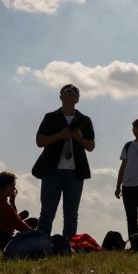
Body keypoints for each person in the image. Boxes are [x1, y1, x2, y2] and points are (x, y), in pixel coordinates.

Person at [33, 84, 96, 239]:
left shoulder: (84, 120)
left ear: (78, 98)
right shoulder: (51, 117)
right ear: (60, 96)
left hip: (76, 172)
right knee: (47, 211)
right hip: (52, 170)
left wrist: (80, 138)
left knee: (71, 213)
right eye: (68, 90)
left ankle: (68, 246)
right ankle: (42, 244)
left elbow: (91, 146)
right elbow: (39, 141)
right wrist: (60, 136)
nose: (72, 93)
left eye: (75, 91)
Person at [0, 172, 34, 250]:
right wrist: (35, 234)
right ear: (8, 186)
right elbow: (17, 223)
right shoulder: (3, 204)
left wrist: (12, 200)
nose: (14, 189)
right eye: (13, 186)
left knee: (32, 222)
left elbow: (14, 216)